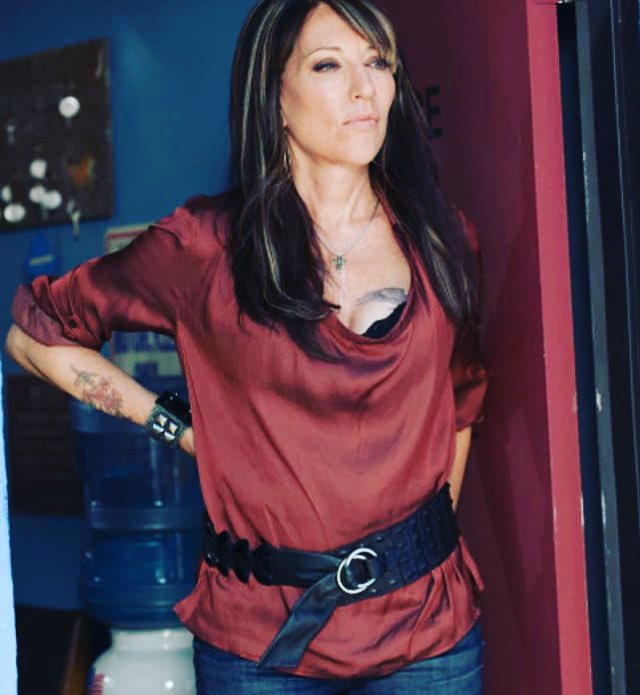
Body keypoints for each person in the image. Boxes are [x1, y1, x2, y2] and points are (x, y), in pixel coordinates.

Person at [6, 0, 490, 692]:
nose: (364, 89)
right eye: (329, 65)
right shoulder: (204, 248)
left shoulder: (444, 239)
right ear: (276, 96)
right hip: (260, 644)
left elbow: (462, 401)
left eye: (377, 62)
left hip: (427, 638)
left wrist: (413, 552)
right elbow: (34, 336)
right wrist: (174, 425)